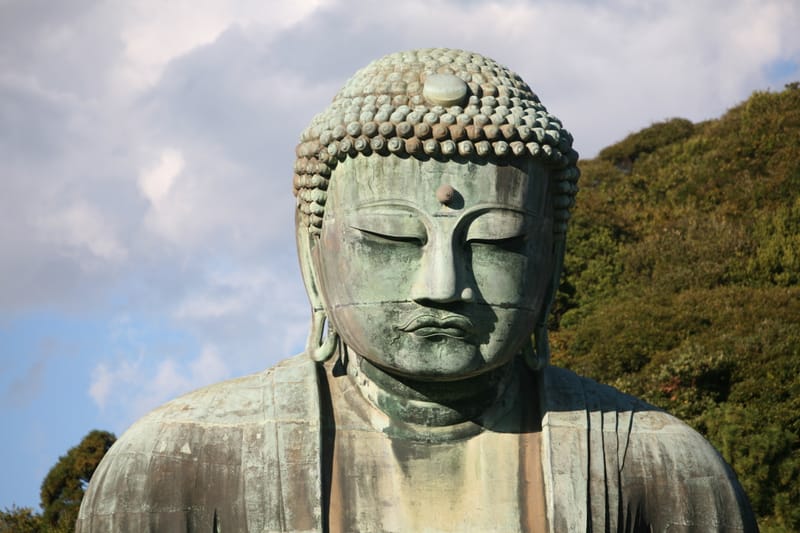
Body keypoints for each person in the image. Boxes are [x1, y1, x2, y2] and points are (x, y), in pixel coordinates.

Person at [77, 48, 757, 532]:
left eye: (493, 241)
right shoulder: (179, 466)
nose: (443, 286)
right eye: (391, 238)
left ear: (551, 262)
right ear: (311, 255)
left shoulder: (656, 469)